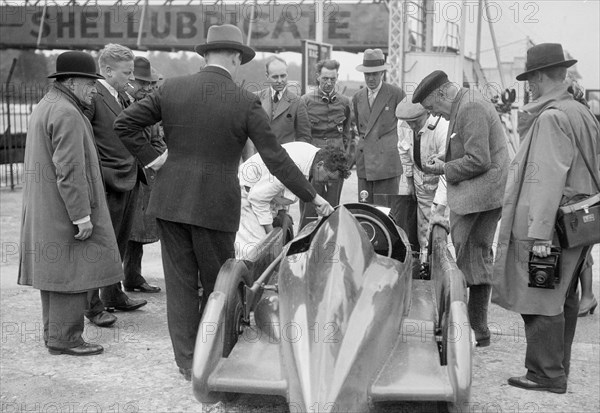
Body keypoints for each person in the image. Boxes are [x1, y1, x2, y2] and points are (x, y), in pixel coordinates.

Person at [113, 24, 333, 381]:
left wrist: (154, 159)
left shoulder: (171, 87)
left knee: (181, 284)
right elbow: (276, 158)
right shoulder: (245, 100)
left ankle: (186, 362)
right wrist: (313, 196)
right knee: (217, 283)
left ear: (205, 55)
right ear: (234, 56)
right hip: (215, 207)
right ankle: (209, 353)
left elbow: (124, 124)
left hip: (169, 202)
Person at [492, 43, 600, 393]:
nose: (529, 87)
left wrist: (538, 237)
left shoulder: (553, 117)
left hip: (549, 229)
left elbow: (544, 181)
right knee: (563, 297)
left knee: (540, 299)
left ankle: (545, 374)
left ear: (540, 77)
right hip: (576, 225)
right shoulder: (579, 110)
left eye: (531, 79)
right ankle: (557, 368)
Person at [18, 51, 123, 356]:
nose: (94, 89)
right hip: (65, 210)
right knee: (72, 273)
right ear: (74, 82)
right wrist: (82, 216)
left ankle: (55, 336)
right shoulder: (67, 112)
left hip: (47, 208)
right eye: (91, 83)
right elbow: (70, 170)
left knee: (55, 275)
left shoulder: (48, 105)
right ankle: (67, 339)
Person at [414, 70, 509, 347]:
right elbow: (469, 144)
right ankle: (474, 326)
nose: (436, 116)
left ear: (442, 93)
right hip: (481, 193)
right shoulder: (464, 101)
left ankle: (477, 329)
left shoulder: (470, 107)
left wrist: (445, 167)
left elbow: (479, 160)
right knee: (473, 255)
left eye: (433, 108)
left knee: (473, 258)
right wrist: (446, 155)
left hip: (480, 195)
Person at [83, 44, 147, 327]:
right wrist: (99, 175)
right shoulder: (92, 97)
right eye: (126, 73)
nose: (130, 78)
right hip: (109, 182)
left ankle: (113, 293)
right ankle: (91, 305)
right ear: (107, 70)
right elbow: (84, 143)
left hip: (130, 178)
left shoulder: (123, 96)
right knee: (101, 245)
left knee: (119, 241)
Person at [237, 142, 351, 259]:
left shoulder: (312, 157)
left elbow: (281, 191)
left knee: (268, 251)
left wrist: (281, 213)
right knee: (257, 253)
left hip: (261, 198)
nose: (329, 183)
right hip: (245, 198)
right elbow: (257, 198)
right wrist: (271, 235)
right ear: (320, 165)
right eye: (329, 178)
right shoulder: (294, 166)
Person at [121, 57, 164, 294]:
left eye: (151, 84)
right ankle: (112, 289)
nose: (148, 88)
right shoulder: (121, 104)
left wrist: (166, 159)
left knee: (138, 232)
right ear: (130, 81)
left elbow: (156, 140)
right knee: (126, 231)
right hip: (126, 175)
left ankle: (132, 277)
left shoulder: (148, 108)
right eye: (143, 83)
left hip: (145, 176)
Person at [300, 59, 352, 228]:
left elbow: (347, 134)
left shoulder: (344, 102)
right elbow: (302, 135)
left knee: (332, 209)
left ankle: (330, 246)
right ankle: (303, 246)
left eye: (332, 79)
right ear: (318, 77)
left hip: (336, 165)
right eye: (325, 79)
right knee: (310, 208)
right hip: (314, 163)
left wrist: (346, 161)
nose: (329, 82)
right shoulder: (305, 101)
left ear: (337, 78)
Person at [395, 102, 448, 263]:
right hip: (421, 180)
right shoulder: (403, 122)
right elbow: (403, 151)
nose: (411, 126)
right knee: (424, 228)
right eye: (408, 122)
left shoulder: (442, 127)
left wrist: (440, 205)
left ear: (427, 114)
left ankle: (445, 267)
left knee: (442, 226)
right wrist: (410, 181)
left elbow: (448, 169)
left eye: (416, 122)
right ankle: (425, 263)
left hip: (444, 182)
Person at [352, 49, 405, 204]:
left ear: (382, 73)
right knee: (366, 210)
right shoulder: (358, 97)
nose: (371, 78)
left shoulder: (396, 94)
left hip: (387, 164)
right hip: (365, 164)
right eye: (367, 74)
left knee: (385, 211)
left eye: (374, 74)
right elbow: (361, 129)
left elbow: (405, 129)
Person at [242, 56, 311, 160]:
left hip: (285, 162)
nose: (280, 81)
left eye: (283, 76)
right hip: (259, 161)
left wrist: (295, 158)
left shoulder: (298, 102)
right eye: (275, 77)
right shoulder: (254, 99)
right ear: (267, 76)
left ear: (287, 74)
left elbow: (304, 137)